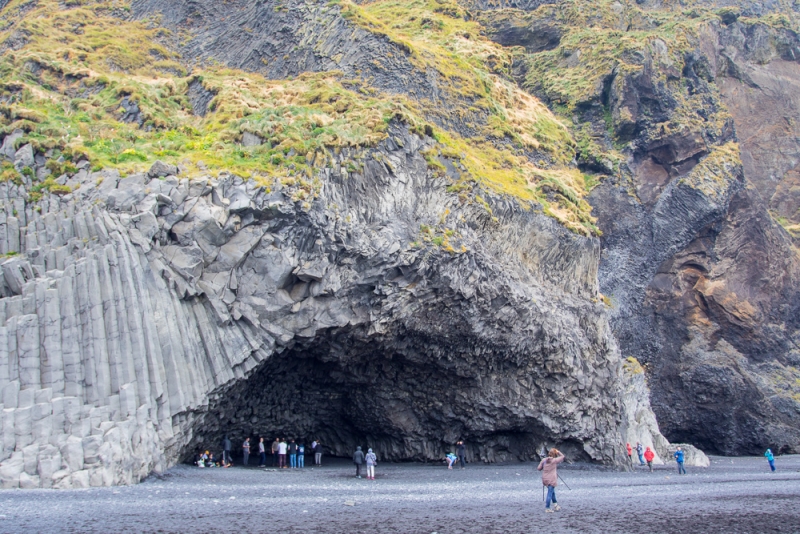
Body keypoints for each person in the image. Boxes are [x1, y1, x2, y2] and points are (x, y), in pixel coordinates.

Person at [538, 448, 565, 513]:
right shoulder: (554, 460)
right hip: (552, 479)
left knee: (552, 491)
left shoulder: (544, 460)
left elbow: (539, 468)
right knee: (550, 493)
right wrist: (558, 451)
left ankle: (556, 505)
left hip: (545, 479)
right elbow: (562, 456)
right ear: (554, 454)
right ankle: (547, 508)